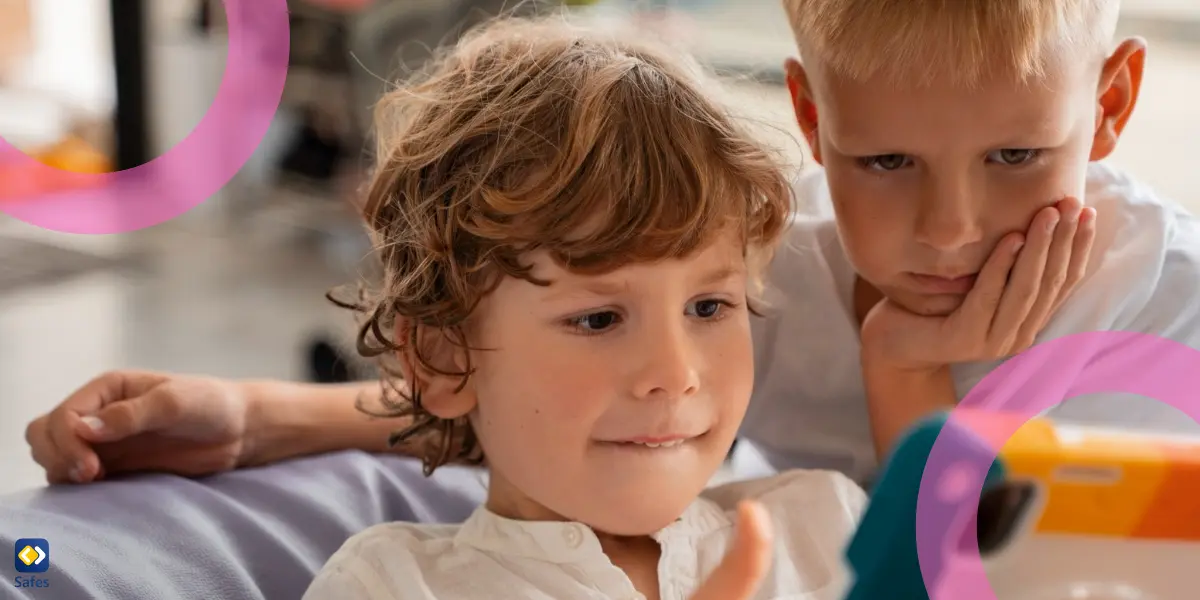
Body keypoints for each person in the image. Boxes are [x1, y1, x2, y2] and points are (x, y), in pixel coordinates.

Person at [24, 0, 1196, 495]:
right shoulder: (777, 259)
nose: (946, 231)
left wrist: (904, 368)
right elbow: (562, 392)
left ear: (1109, 103)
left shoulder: (1163, 323)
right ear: (812, 118)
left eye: (1015, 160)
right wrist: (260, 419)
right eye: (883, 163)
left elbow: (945, 573)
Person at [291, 16, 863, 599]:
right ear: (446, 357)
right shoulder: (393, 585)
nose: (674, 375)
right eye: (599, 319)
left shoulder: (823, 526)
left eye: (709, 306)